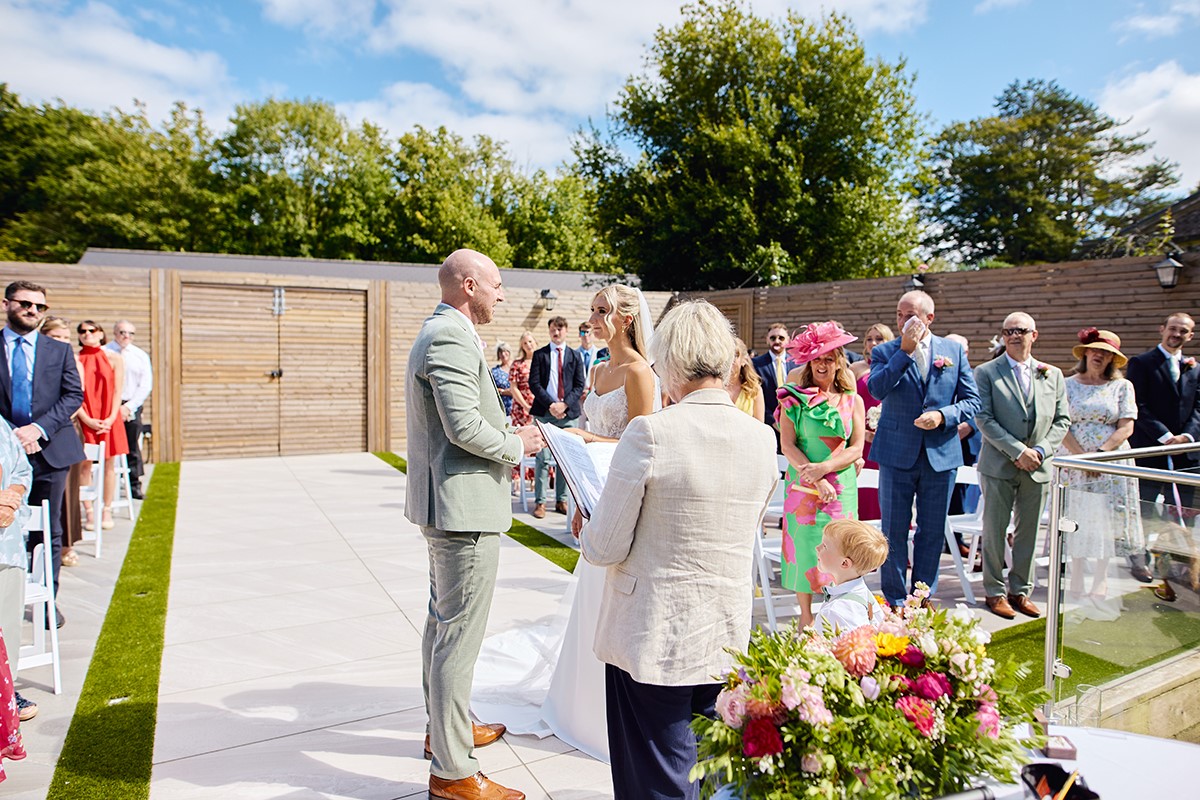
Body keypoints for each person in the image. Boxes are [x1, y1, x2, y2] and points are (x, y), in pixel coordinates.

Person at [579, 299, 778, 800]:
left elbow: (603, 547)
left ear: (668, 360)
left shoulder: (651, 432)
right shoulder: (762, 437)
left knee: (656, 780)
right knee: (708, 773)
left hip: (652, 632)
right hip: (724, 629)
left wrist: (589, 518)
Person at [470, 283, 659, 764]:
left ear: (627, 319)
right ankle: (576, 702)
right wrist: (576, 499)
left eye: (602, 311)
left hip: (623, 500)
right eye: (592, 310)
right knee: (589, 596)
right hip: (590, 492)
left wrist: (581, 436)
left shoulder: (641, 374)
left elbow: (641, 446)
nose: (592, 318)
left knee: (613, 600)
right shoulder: (597, 369)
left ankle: (609, 710)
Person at [404, 249, 544, 800]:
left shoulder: (447, 331)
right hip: (461, 511)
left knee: (443, 626)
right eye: (496, 284)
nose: (502, 294)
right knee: (456, 636)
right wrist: (517, 446)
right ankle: (453, 773)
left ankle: (446, 732)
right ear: (468, 285)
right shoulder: (449, 337)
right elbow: (462, 426)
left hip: (449, 504)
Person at [869, 290, 979, 607]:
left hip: (940, 455)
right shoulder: (886, 351)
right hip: (895, 454)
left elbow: (973, 401)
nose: (904, 320)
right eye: (900, 314)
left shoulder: (953, 351)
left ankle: (922, 596)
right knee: (892, 530)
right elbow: (877, 388)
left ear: (929, 318)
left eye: (911, 315)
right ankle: (893, 598)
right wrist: (904, 351)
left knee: (931, 532)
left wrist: (943, 415)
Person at [974, 312, 1070, 620]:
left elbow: (1062, 420)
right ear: (1003, 336)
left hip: (1038, 465)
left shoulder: (1051, 374)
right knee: (994, 530)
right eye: (1009, 331)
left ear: (1034, 335)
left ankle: (1021, 590)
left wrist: (1039, 451)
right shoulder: (987, 372)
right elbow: (983, 418)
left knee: (1029, 531)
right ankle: (994, 591)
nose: (1015, 336)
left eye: (1022, 330)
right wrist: (1018, 450)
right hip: (999, 464)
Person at [0, 281, 84, 629]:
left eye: (40, 306)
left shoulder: (58, 350)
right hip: (4, 453)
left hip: (49, 450)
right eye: (25, 303)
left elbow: (72, 395)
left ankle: (48, 600)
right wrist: (10, 436)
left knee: (47, 530)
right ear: (7, 303)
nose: (33, 310)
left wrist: (38, 429)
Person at [777, 321, 865, 628]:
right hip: (803, 485)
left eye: (829, 358)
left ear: (839, 361)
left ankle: (838, 612)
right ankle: (805, 617)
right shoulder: (792, 399)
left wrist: (826, 470)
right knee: (805, 546)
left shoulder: (853, 400)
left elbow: (856, 448)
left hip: (841, 486)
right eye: (817, 359)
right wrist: (814, 476)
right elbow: (787, 444)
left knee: (841, 548)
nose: (823, 364)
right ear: (808, 362)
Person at [1056, 328, 1141, 612]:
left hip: (1110, 460)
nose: (1099, 355)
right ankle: (1077, 574)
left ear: (1113, 359)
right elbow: (1061, 423)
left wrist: (1101, 455)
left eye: (1105, 353)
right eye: (1095, 350)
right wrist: (1082, 457)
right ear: (1085, 353)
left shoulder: (1121, 387)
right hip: (1074, 458)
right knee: (1077, 515)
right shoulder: (1067, 384)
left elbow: (1127, 425)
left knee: (1105, 519)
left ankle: (1101, 579)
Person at [1125, 312, 1200, 585]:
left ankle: (1179, 565)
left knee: (1185, 512)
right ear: (1162, 329)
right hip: (1150, 450)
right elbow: (1138, 405)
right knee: (1145, 509)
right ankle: (1140, 558)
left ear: (1190, 336)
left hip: (1186, 454)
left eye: (1183, 331)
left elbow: (1199, 408)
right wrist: (1165, 436)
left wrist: (1186, 438)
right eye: (1173, 329)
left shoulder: (1195, 367)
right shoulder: (1142, 363)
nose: (1176, 335)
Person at [38, 317, 86, 568]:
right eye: (57, 337)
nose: (62, 342)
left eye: (66, 338)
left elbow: (75, 396)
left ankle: (66, 546)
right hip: (25, 437)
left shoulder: (70, 360)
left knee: (65, 497)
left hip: (61, 432)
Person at [528, 316, 586, 518]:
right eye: (553, 329)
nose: (557, 332)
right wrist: (551, 405)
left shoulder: (575, 356)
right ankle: (540, 502)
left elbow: (580, 385)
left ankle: (561, 500)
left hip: (567, 413)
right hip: (545, 412)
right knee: (542, 458)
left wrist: (564, 404)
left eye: (560, 329)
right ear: (549, 331)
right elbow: (534, 384)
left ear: (566, 330)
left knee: (565, 459)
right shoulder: (540, 355)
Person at [76, 321, 128, 531]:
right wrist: (87, 419)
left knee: (109, 465)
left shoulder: (114, 358)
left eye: (91, 330)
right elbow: (73, 394)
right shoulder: (75, 359)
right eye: (82, 331)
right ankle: (88, 511)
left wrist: (111, 417)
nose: (87, 334)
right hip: (86, 416)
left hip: (109, 415)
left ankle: (106, 508)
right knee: (84, 464)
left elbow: (118, 391)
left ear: (100, 334)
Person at [0, 419, 31, 721]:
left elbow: (22, 470)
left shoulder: (0, 424)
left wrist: (12, 497)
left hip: (6, 547)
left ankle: (6, 700)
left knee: (8, 628)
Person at [812, 519, 889, 634]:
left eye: (825, 546)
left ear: (844, 563)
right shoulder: (864, 595)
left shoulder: (835, 611)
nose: (817, 548)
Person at [852, 323, 894, 521]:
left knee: (887, 494)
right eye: (869, 339)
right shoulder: (856, 369)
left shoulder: (895, 367)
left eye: (879, 338)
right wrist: (863, 433)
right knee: (864, 494)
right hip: (864, 441)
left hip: (890, 440)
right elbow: (847, 406)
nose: (873, 343)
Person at [105, 320, 151, 499]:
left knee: (132, 446)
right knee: (109, 447)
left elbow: (145, 385)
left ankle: (134, 485)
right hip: (109, 406)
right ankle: (108, 486)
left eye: (131, 333)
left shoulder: (139, 355)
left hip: (131, 405)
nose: (126, 336)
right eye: (122, 332)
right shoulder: (105, 352)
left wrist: (129, 407)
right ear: (115, 332)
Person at [752, 321, 792, 432]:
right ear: (767, 340)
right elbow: (754, 394)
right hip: (768, 425)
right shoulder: (756, 364)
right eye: (773, 338)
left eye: (781, 338)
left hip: (793, 423)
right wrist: (773, 421)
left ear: (788, 340)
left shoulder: (796, 364)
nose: (777, 341)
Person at [726, 337, 765, 422]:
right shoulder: (714, 387)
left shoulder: (754, 389)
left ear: (744, 361)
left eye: (735, 356)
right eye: (726, 355)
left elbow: (760, 426)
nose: (729, 360)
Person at [507, 331, 536, 428]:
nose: (528, 345)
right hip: (522, 409)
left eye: (530, 341)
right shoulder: (517, 364)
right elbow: (513, 388)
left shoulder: (543, 362)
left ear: (535, 342)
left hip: (540, 408)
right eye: (525, 343)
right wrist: (526, 406)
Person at [491, 342, 514, 418]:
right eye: (500, 352)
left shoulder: (517, 367)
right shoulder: (495, 371)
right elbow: (491, 389)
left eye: (505, 351)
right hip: (503, 411)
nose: (503, 354)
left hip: (519, 411)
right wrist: (503, 392)